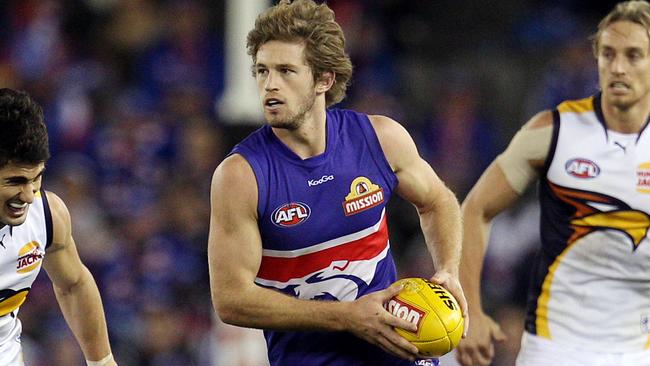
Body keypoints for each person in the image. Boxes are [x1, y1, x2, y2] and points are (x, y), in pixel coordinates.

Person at [207, 1, 467, 365]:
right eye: (262, 71)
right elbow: (231, 299)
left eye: (286, 71)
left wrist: (447, 270)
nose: (270, 86)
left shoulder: (380, 138)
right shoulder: (241, 175)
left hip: (397, 349)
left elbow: (438, 201)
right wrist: (348, 317)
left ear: (324, 80)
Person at [456, 1, 650, 365]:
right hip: (554, 349)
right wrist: (472, 310)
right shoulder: (553, 130)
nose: (618, 67)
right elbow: (474, 210)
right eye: (608, 53)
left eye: (633, 55)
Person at [0, 88, 116, 366]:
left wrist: (102, 361)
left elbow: (74, 284)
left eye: (36, 178)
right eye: (15, 181)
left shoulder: (47, 215)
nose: (28, 195)